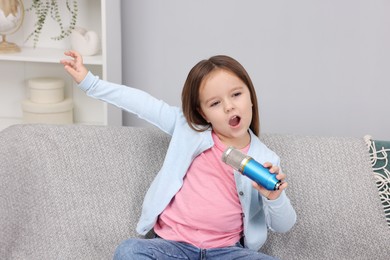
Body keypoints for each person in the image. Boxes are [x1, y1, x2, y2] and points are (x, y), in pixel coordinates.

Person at [60, 50, 297, 260]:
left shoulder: (266, 158)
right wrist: (91, 83)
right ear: (202, 113)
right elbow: (143, 104)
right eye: (215, 103)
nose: (229, 107)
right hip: (172, 247)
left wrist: (274, 197)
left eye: (236, 95)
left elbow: (284, 225)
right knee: (129, 251)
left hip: (226, 251)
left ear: (251, 97)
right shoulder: (188, 130)